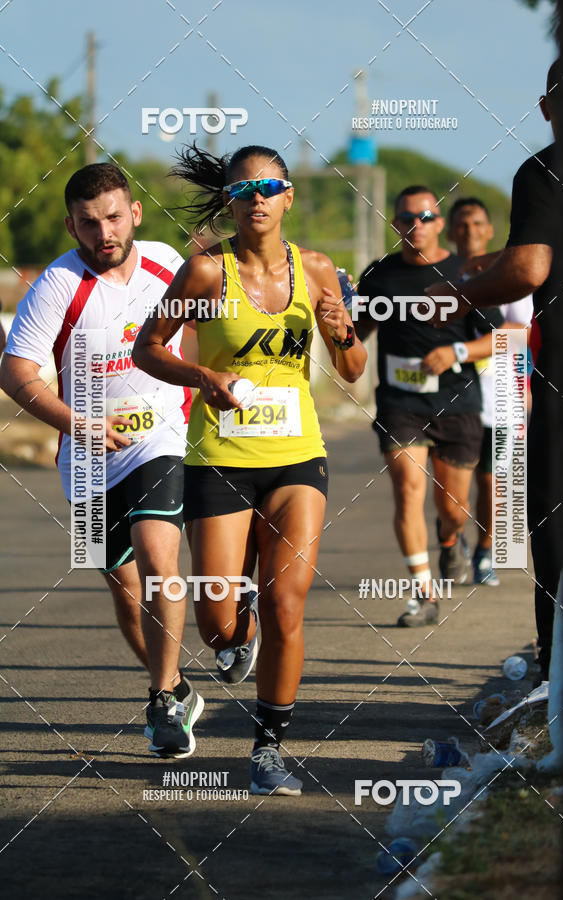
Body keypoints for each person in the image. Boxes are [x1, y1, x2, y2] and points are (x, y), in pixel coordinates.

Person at [132, 144, 367, 796]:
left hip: (298, 456)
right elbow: (146, 348)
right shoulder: (206, 274)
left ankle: (268, 747)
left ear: (289, 196)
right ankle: (238, 631)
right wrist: (202, 375)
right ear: (231, 202)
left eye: (269, 186)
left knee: (287, 602)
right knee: (216, 621)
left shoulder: (316, 270)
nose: (257, 197)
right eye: (244, 189)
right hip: (220, 460)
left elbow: (352, 371)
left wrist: (343, 331)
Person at [0, 163, 203, 757]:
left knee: (157, 555)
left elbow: (226, 306)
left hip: (160, 439)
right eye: (88, 224)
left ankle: (163, 702)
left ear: (135, 213)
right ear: (72, 225)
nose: (104, 232)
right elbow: (16, 372)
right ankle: (175, 685)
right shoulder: (57, 287)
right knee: (124, 587)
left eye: (114, 217)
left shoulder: (170, 265)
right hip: (85, 460)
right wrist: (78, 422)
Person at [427, 62, 563, 680]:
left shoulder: (546, 170)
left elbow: (530, 272)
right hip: (513, 386)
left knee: (556, 525)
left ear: (547, 108)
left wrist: (462, 297)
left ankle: (557, 666)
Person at [355, 186, 503, 627]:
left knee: (453, 508)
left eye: (425, 217)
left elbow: (496, 338)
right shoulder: (379, 274)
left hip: (457, 401)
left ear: (440, 223)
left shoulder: (465, 272)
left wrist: (455, 354)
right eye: (405, 218)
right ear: (395, 224)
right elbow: (356, 335)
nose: (414, 226)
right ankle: (423, 593)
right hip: (401, 402)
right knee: (408, 490)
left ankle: (451, 538)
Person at [448, 197, 533, 587]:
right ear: (451, 231)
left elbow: (519, 334)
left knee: (494, 482)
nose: (470, 231)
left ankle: (485, 551)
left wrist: (465, 350)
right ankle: (451, 537)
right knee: (454, 489)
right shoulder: (440, 276)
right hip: (450, 393)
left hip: (502, 393)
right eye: (462, 225)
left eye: (478, 223)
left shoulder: (510, 276)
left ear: (490, 230)